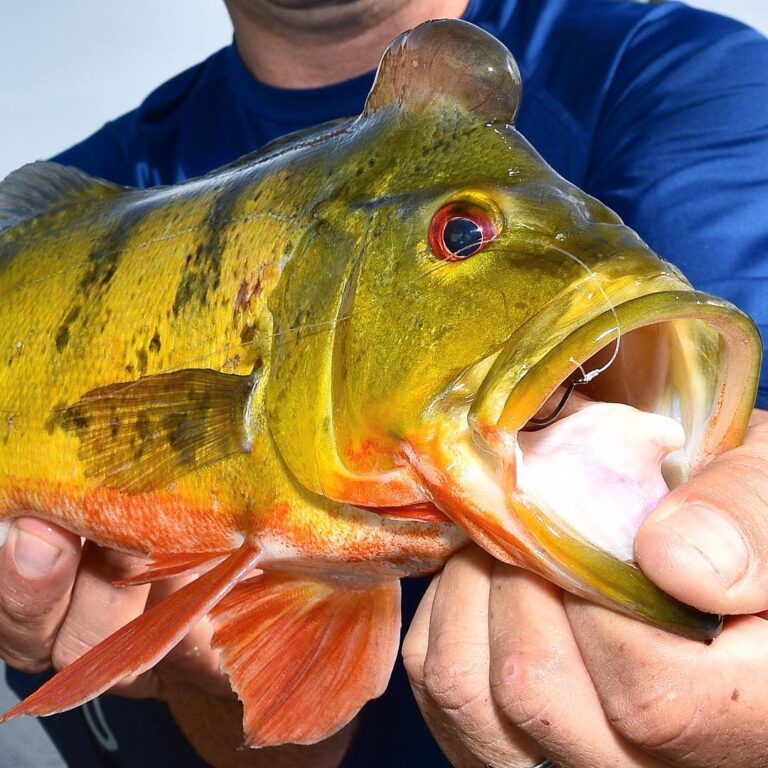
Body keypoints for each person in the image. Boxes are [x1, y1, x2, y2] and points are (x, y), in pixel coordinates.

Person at [1, 0, 768, 766]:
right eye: (459, 236)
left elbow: (737, 440)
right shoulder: (88, 195)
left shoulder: (679, 76)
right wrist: (216, 693)